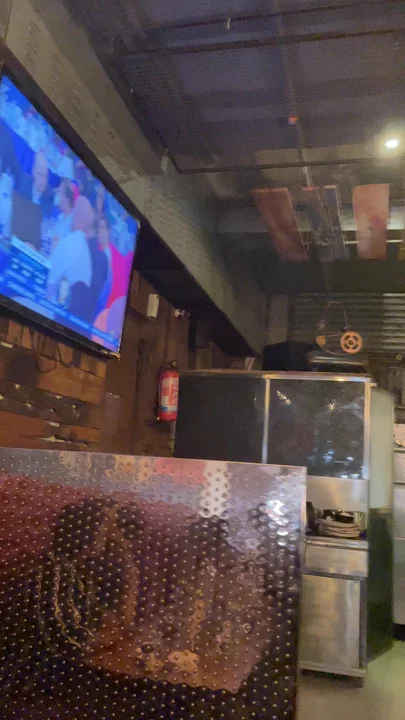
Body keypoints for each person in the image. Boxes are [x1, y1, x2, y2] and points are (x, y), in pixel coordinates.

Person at [47, 195, 93, 305]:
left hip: (54, 308)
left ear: (76, 215)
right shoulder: (86, 251)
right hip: (71, 310)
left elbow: (49, 286)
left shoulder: (67, 243)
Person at [19, 149, 54, 218]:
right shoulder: (23, 181)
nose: (43, 180)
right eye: (40, 174)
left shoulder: (50, 195)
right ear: (34, 171)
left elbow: (45, 219)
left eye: (46, 176)